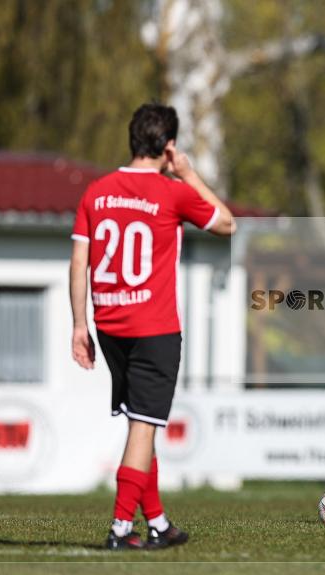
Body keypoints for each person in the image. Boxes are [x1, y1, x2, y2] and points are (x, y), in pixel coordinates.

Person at [69, 102, 235, 549]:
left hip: (109, 325)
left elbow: (80, 259)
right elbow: (226, 223)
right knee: (145, 425)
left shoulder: (96, 192)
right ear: (168, 146)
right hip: (154, 328)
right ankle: (122, 529)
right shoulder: (171, 192)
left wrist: (79, 325)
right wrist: (189, 173)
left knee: (141, 423)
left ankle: (158, 523)